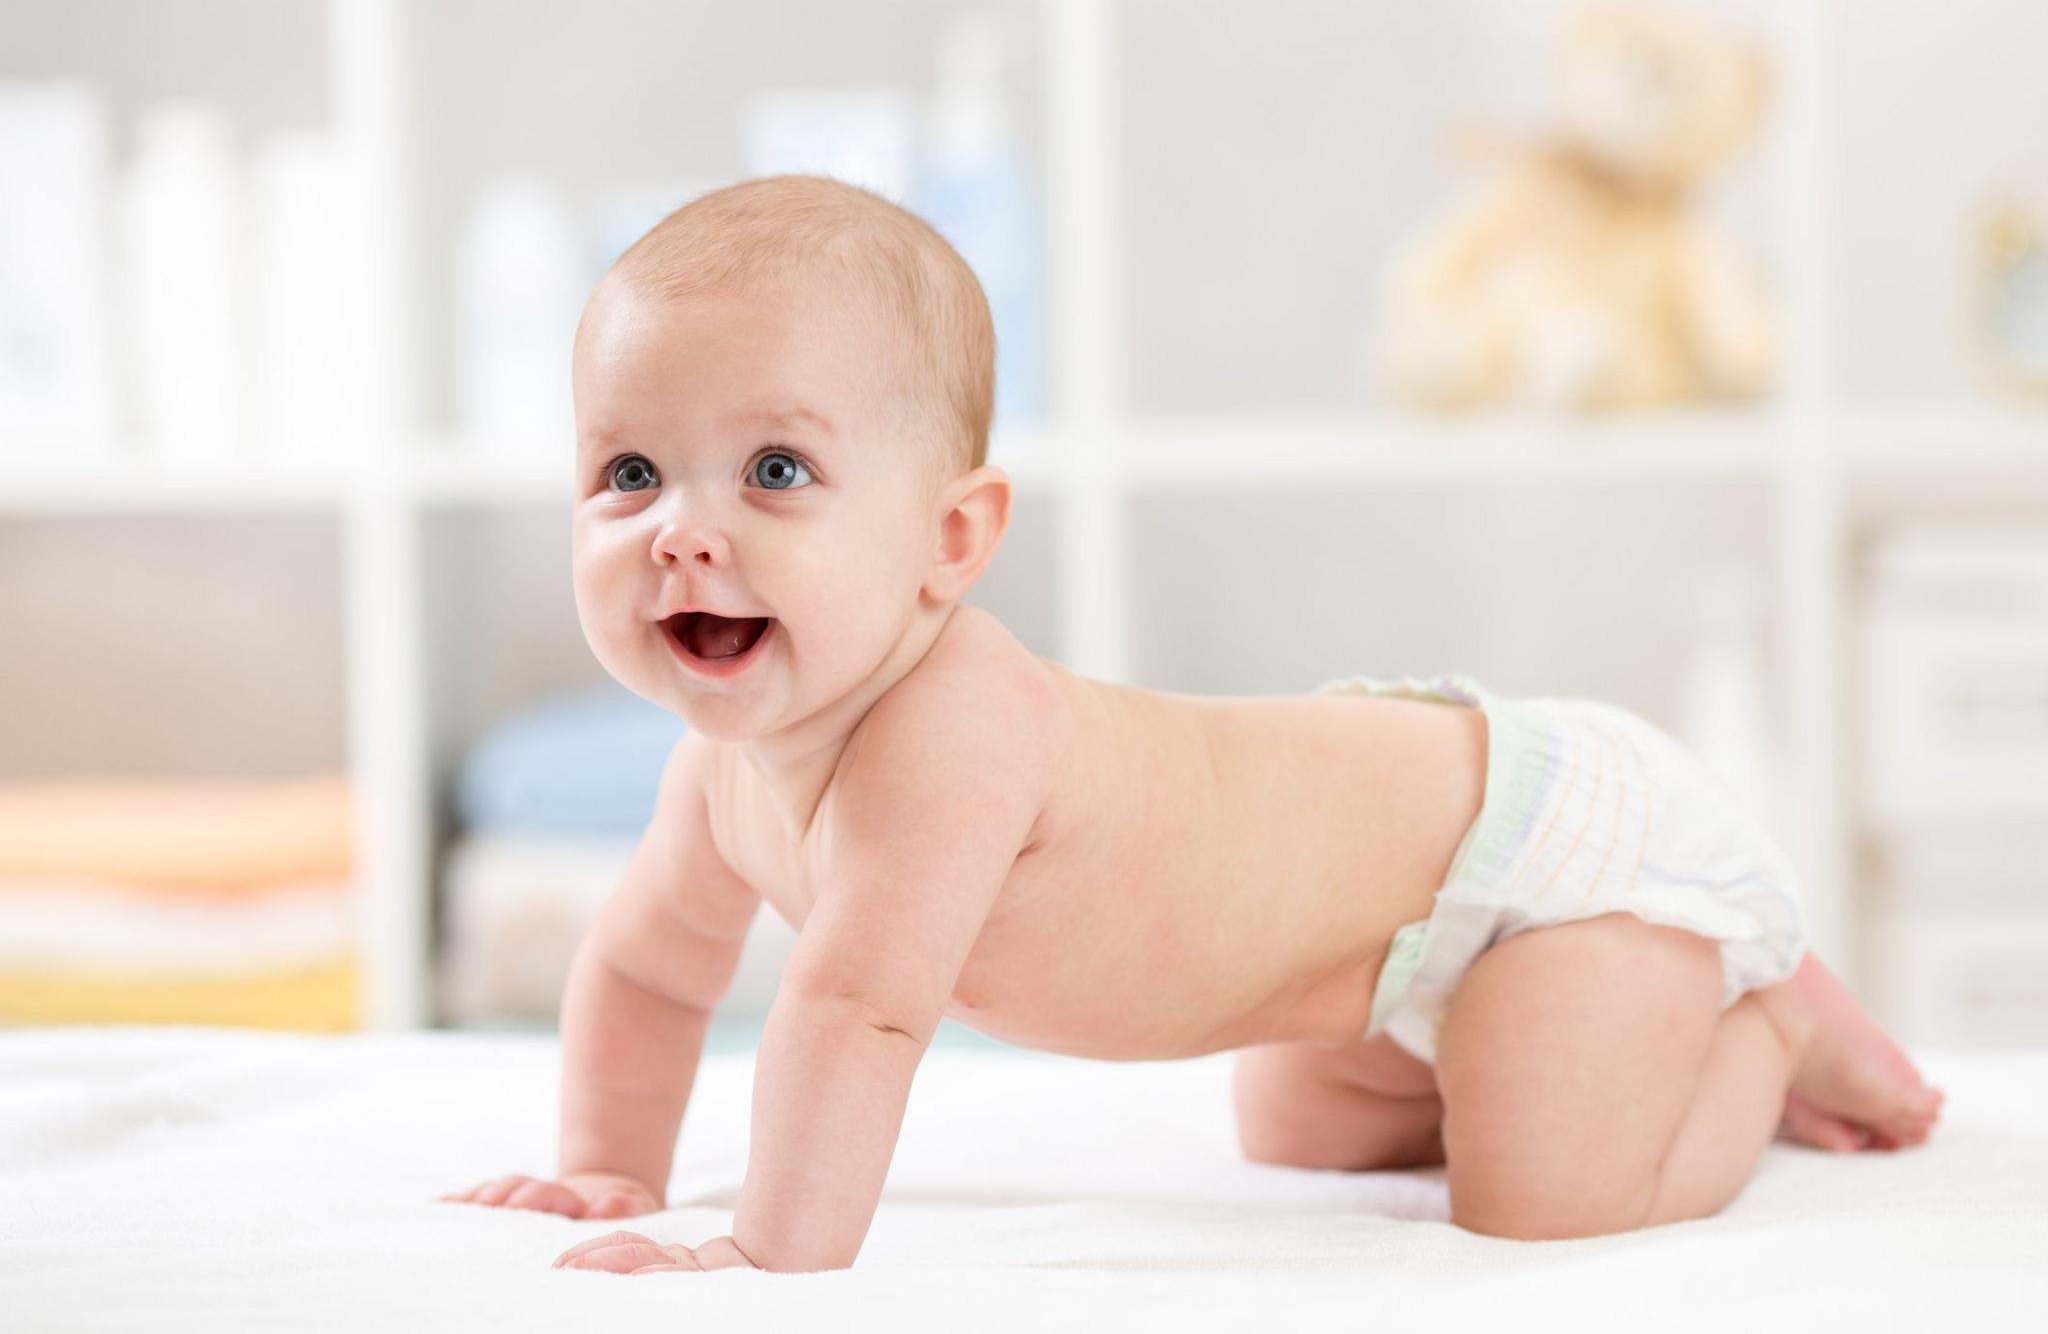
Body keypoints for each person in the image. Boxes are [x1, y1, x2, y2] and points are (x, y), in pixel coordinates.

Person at [439, 174, 1944, 1273]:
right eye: (629, 472)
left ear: (949, 544)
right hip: (1387, 943)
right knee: (1293, 1125)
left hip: (1540, 855)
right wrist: (607, 1166)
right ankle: (1522, 1037)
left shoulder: (945, 734)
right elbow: (645, 966)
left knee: (1541, 1196)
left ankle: (1763, 1019)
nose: (681, 535)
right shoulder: (717, 776)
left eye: (774, 472)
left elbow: (856, 1013)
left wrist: (768, 1255)